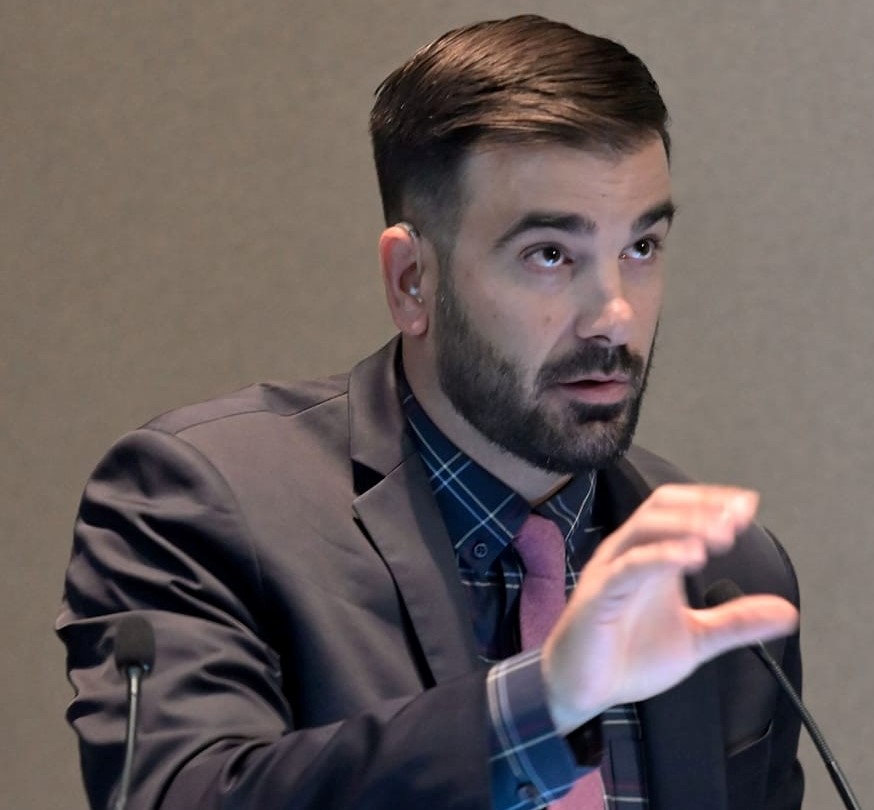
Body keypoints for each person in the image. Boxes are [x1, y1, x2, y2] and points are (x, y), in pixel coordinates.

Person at [57, 15, 804, 810]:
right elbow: (187, 796)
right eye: (550, 254)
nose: (614, 316)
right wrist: (541, 705)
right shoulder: (203, 502)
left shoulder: (725, 576)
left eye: (641, 249)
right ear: (413, 279)